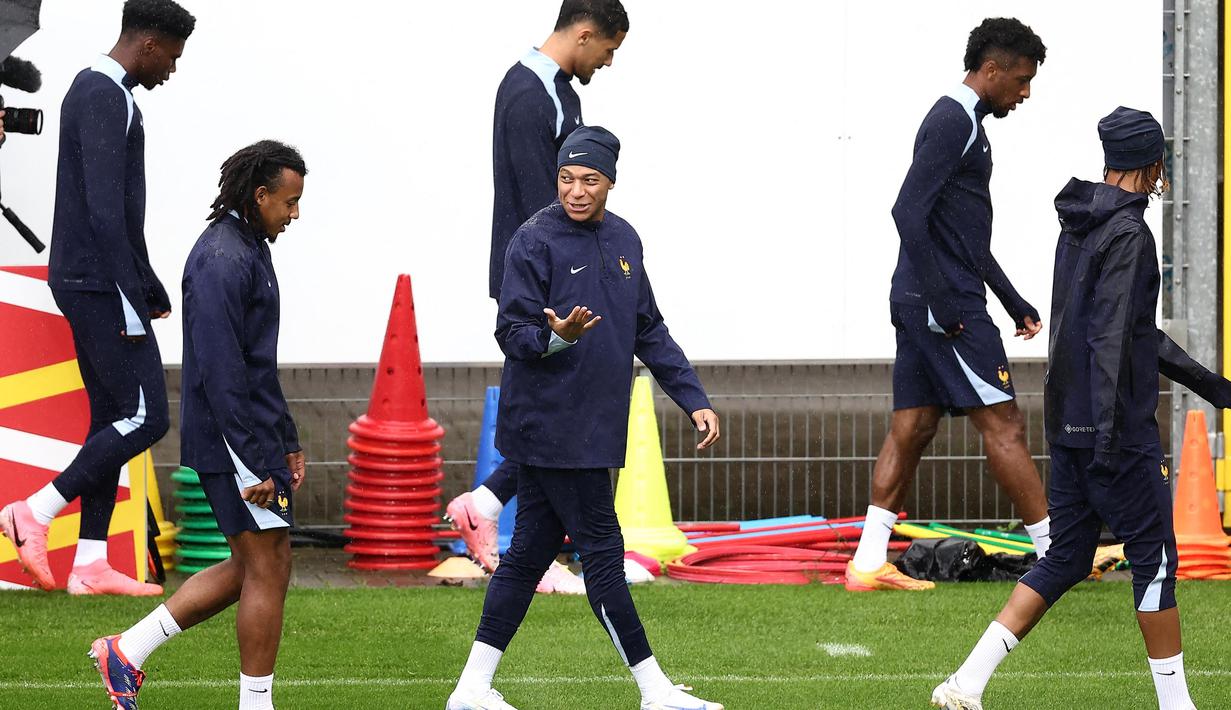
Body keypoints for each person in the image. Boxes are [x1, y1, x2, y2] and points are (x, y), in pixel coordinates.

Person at [930, 107, 1230, 710]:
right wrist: (1112, 433)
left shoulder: (1079, 223)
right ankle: (1177, 706)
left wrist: (1214, 386)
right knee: (1155, 560)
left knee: (1065, 557)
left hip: (1068, 424)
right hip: (1112, 430)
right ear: (1151, 164)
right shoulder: (1131, 234)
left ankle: (965, 683)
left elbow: (1123, 333)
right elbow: (1114, 336)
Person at [446, 127, 722, 710]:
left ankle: (471, 690)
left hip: (595, 430)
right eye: (567, 178)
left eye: (589, 180)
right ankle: (655, 691)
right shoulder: (532, 240)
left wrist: (693, 397)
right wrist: (555, 336)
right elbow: (511, 333)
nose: (575, 190)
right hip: (551, 430)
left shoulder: (626, 239)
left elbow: (648, 327)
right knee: (603, 558)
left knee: (523, 561)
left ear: (611, 183)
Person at [89, 140, 308, 710]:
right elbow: (219, 370)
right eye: (288, 202)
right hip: (234, 445)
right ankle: (254, 704)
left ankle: (127, 650)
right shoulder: (221, 258)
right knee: (268, 565)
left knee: (257, 563)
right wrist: (254, 461)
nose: (295, 214)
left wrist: (286, 440)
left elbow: (258, 361)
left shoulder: (250, 246)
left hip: (253, 440)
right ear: (260, 197)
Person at [846, 18, 1052, 592]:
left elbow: (963, 236)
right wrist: (943, 304)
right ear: (991, 71)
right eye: (1020, 79)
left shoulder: (968, 122)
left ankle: (866, 563)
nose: (1025, 92)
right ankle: (1055, 553)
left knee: (912, 426)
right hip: (943, 305)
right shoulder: (952, 119)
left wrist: (1012, 299)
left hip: (924, 300)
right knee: (1005, 423)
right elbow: (906, 211)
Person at [0, 0, 195, 595]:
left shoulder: (105, 92)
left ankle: (89, 564)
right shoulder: (104, 94)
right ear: (147, 44)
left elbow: (115, 212)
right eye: (173, 57)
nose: (173, 70)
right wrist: (134, 290)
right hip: (97, 282)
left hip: (94, 276)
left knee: (111, 419)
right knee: (146, 416)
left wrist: (146, 278)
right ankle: (33, 510)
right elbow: (107, 210)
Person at [446, 0, 628, 592]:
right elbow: (538, 198)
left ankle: (491, 507)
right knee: (558, 419)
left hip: (548, 276)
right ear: (584, 33)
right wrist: (552, 284)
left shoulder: (542, 85)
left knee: (561, 417)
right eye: (608, 50)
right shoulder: (535, 92)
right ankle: (543, 542)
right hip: (544, 284)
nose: (606, 63)